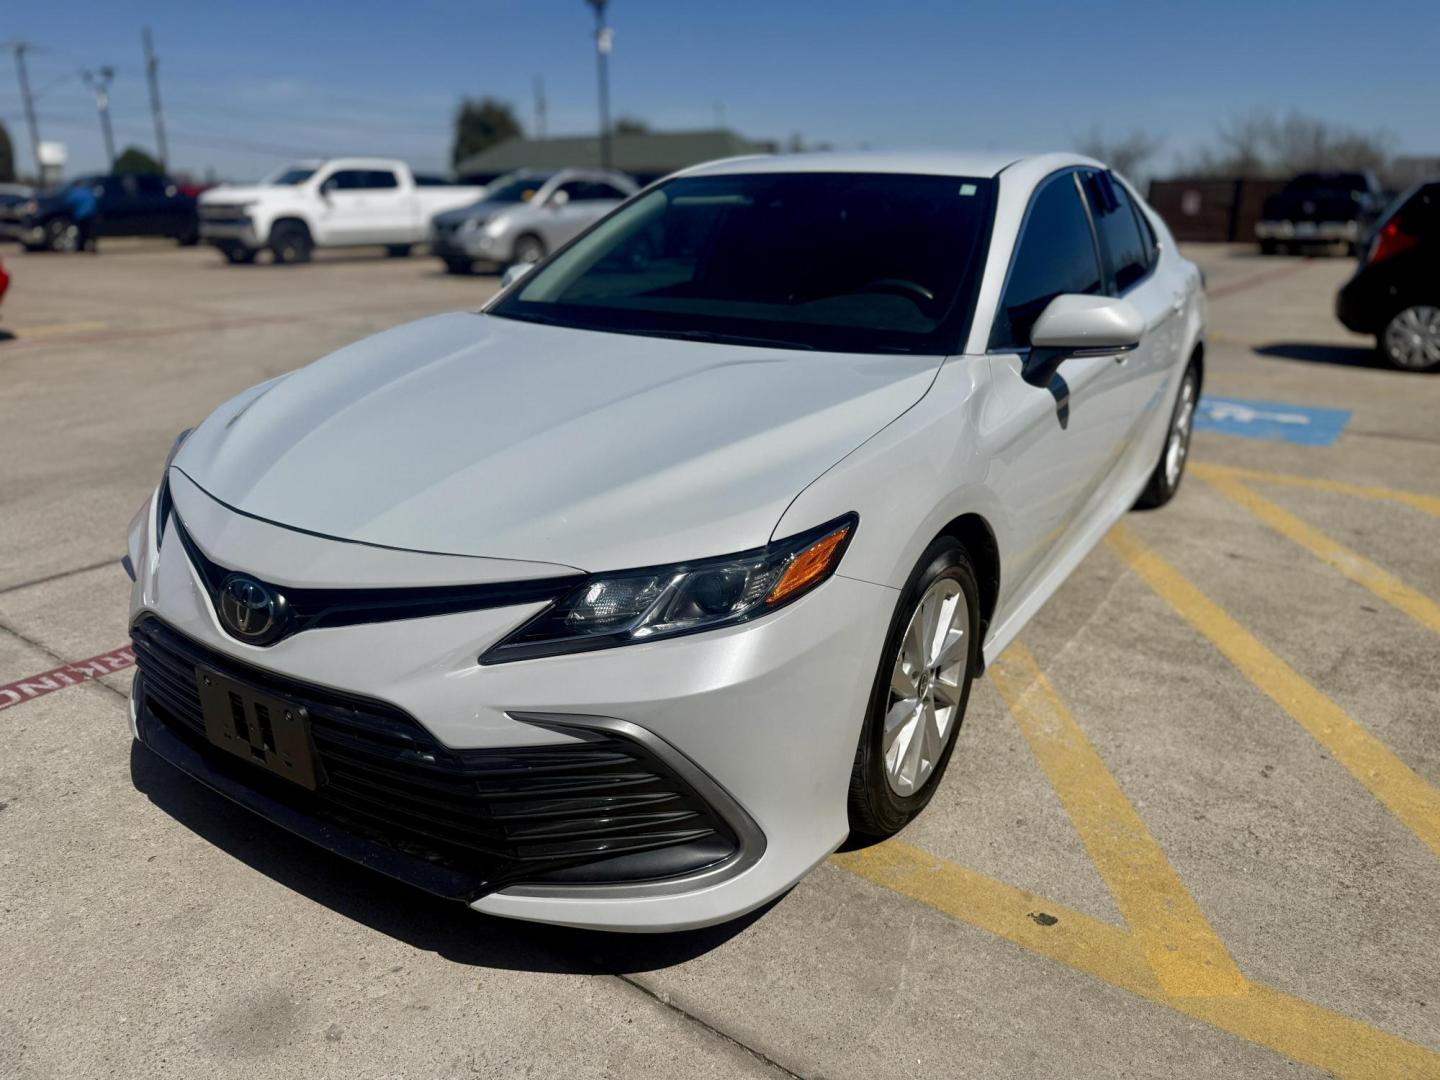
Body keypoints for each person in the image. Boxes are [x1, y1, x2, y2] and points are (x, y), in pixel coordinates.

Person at [63, 180, 100, 253]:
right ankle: (92, 246)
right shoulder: (88, 191)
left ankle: (81, 247)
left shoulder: (74, 193)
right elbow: (94, 202)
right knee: (91, 233)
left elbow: (69, 203)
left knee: (82, 232)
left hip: (80, 216)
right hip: (91, 215)